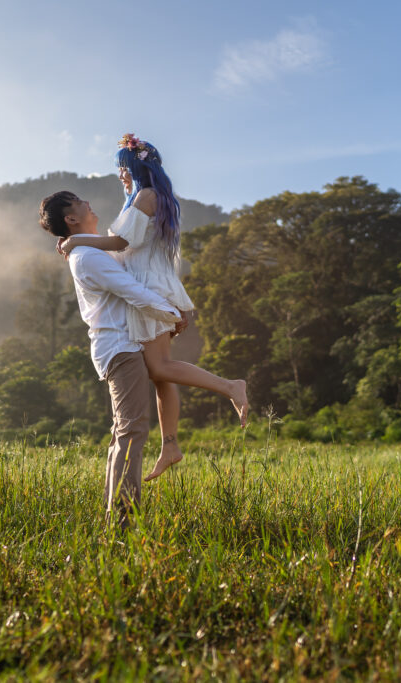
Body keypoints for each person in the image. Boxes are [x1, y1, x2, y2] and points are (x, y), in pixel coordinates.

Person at [56, 134, 248, 482]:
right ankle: (170, 444)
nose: (119, 175)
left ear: (134, 167)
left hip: (149, 287)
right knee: (160, 374)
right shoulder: (143, 197)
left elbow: (120, 241)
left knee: (160, 367)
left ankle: (230, 386)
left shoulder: (146, 196)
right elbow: (128, 240)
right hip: (153, 283)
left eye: (121, 168)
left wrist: (76, 240)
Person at [39, 190, 185, 529]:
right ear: (70, 218)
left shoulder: (87, 249)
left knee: (125, 431)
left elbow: (121, 241)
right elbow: (129, 288)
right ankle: (121, 521)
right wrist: (172, 313)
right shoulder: (87, 257)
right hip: (119, 347)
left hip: (119, 345)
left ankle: (116, 518)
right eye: (78, 201)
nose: (88, 201)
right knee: (132, 431)